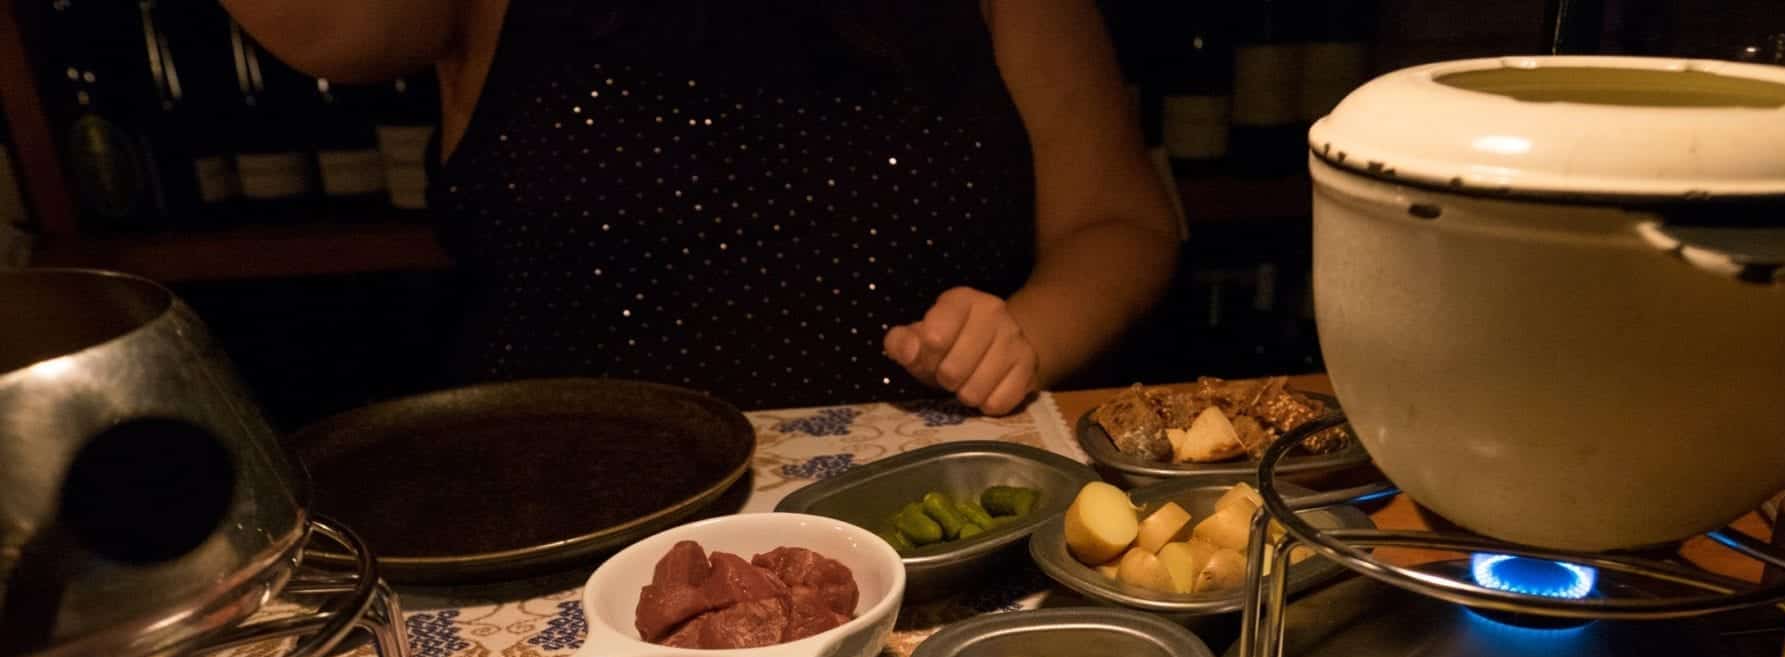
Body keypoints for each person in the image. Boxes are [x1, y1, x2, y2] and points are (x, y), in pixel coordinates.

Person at [223, 0, 1179, 414]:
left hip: (915, 515)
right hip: (560, 527)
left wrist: (1024, 334)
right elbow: (334, 32)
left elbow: (1118, 221)